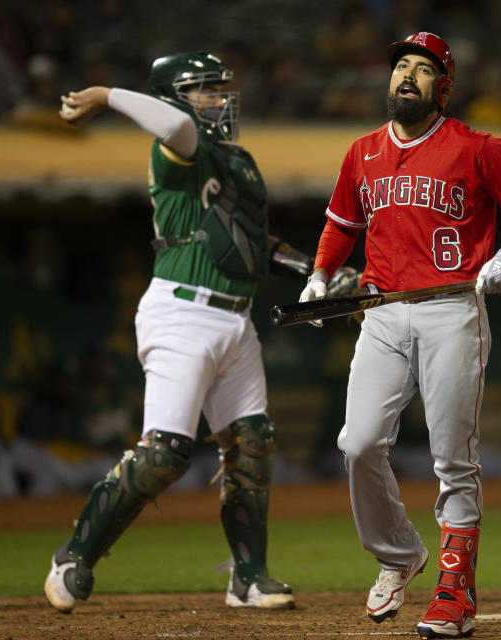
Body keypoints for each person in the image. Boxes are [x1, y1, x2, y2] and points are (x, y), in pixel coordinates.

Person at [43, 52, 357, 614]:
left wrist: (319, 275)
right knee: (165, 455)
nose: (217, 97)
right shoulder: (178, 148)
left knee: (253, 444)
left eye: (219, 86)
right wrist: (105, 95)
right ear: (172, 97)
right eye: (203, 88)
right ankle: (76, 552)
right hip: (182, 312)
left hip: (235, 318)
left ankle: (249, 577)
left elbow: (255, 242)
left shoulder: (236, 160)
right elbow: (178, 125)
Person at [297, 32, 501, 638]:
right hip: (383, 312)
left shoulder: (476, 147)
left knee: (453, 460)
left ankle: (454, 595)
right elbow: (341, 224)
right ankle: (398, 554)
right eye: (400, 67)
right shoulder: (361, 151)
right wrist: (319, 276)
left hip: (452, 311)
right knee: (358, 443)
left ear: (443, 87)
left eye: (422, 69)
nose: (407, 77)